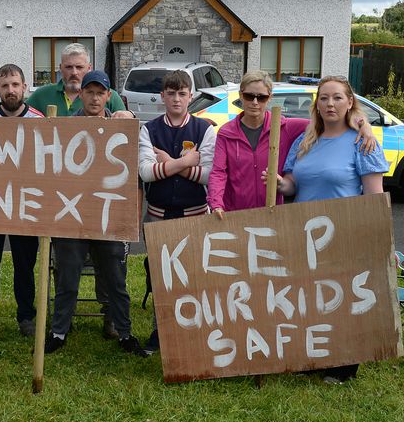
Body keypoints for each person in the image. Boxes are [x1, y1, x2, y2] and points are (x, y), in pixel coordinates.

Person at [0, 43, 127, 339]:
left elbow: (125, 132)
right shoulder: (42, 98)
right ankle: (19, 318)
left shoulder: (111, 97)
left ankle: (109, 319)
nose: (74, 72)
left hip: (96, 201)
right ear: (61, 70)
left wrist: (129, 114)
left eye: (79, 67)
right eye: (68, 67)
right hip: (43, 203)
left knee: (103, 267)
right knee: (59, 267)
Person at [271, 76, 389, 385]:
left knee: (343, 298)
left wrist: (370, 236)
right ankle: (314, 355)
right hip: (304, 232)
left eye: (337, 98)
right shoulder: (305, 140)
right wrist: (280, 184)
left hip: (343, 232)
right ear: (317, 104)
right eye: (323, 98)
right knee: (310, 295)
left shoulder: (362, 142)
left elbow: (374, 197)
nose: (330, 104)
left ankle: (344, 363)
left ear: (350, 102)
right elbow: (293, 183)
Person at [46, 69, 149, 356]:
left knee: (115, 279)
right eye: (89, 92)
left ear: (108, 96)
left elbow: (133, 177)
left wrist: (132, 215)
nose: (94, 97)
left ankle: (124, 333)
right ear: (81, 94)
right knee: (67, 278)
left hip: (109, 216)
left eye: (100, 92)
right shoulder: (64, 127)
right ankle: (59, 332)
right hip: (71, 217)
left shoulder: (122, 129)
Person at [208, 71, 375, 216]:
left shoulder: (285, 127)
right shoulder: (227, 133)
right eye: (249, 96)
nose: (255, 102)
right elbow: (218, 173)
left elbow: (326, 119)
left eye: (262, 97)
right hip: (234, 213)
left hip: (271, 214)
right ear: (240, 95)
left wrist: (362, 123)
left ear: (270, 98)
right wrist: (216, 205)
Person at [138, 70, 216, 352]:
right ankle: (161, 332)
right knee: (160, 275)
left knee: (193, 274)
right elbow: (146, 172)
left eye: (182, 94)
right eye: (170, 93)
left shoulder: (203, 129)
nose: (176, 99)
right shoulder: (149, 129)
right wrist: (184, 162)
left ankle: (192, 330)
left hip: (194, 213)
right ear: (162, 96)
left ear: (190, 96)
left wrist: (168, 164)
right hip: (158, 214)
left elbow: (208, 175)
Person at [0, 64, 44, 338]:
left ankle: (26, 316)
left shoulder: (39, 119)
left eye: (15, 85)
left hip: (27, 203)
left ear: (24, 87)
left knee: (24, 265)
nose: (11, 90)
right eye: (5, 86)